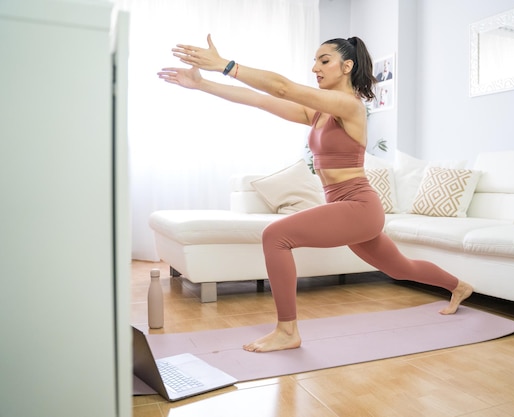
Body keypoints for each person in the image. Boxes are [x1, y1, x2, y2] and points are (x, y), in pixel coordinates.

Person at [157, 34, 473, 353]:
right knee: (399, 268)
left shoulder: (350, 106)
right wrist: (203, 85)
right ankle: (459, 286)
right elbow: (263, 99)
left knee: (275, 235)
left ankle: (287, 330)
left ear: (347, 66)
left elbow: (282, 87)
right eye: (314, 61)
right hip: (348, 208)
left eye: (324, 61)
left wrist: (225, 65)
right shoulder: (320, 113)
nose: (315, 68)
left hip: (358, 206)